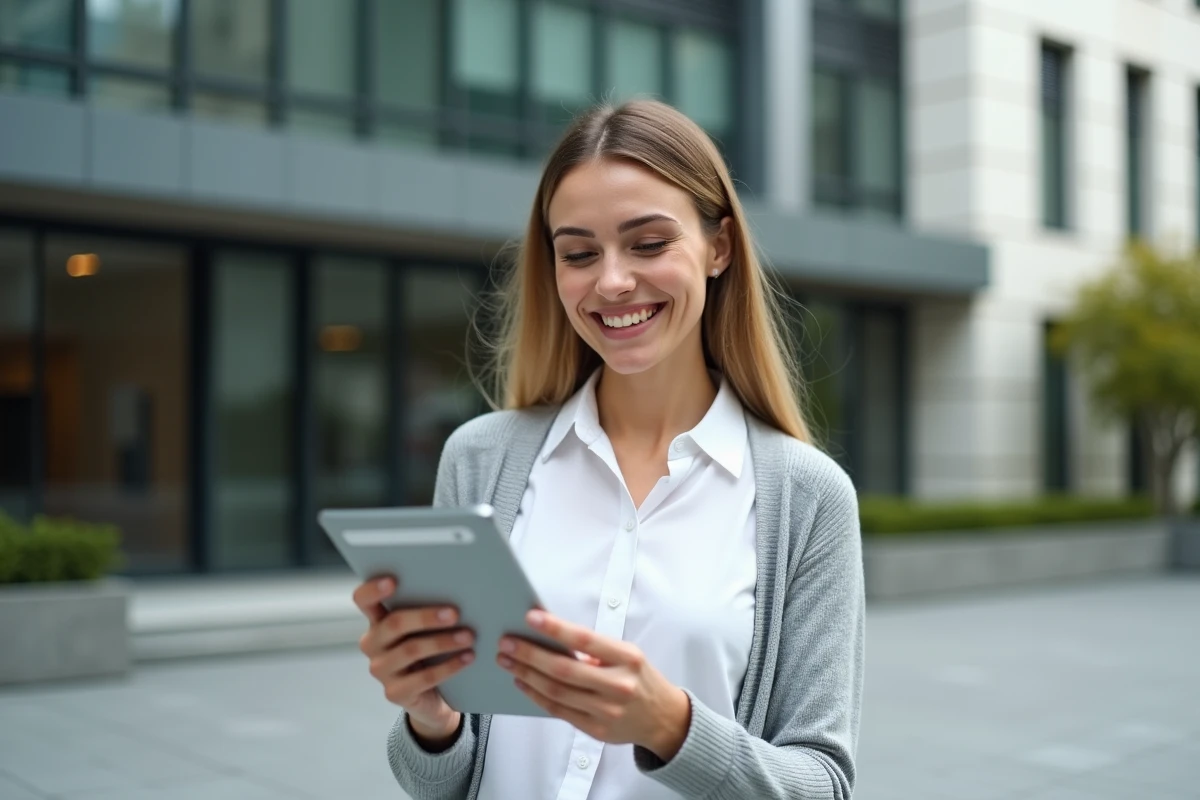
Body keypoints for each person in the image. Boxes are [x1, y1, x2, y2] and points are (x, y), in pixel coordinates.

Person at [352, 99, 864, 800]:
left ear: (719, 247)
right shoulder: (479, 459)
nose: (612, 281)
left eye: (648, 244)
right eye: (579, 254)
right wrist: (429, 718)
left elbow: (823, 784)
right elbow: (439, 781)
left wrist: (670, 725)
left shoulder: (808, 497)